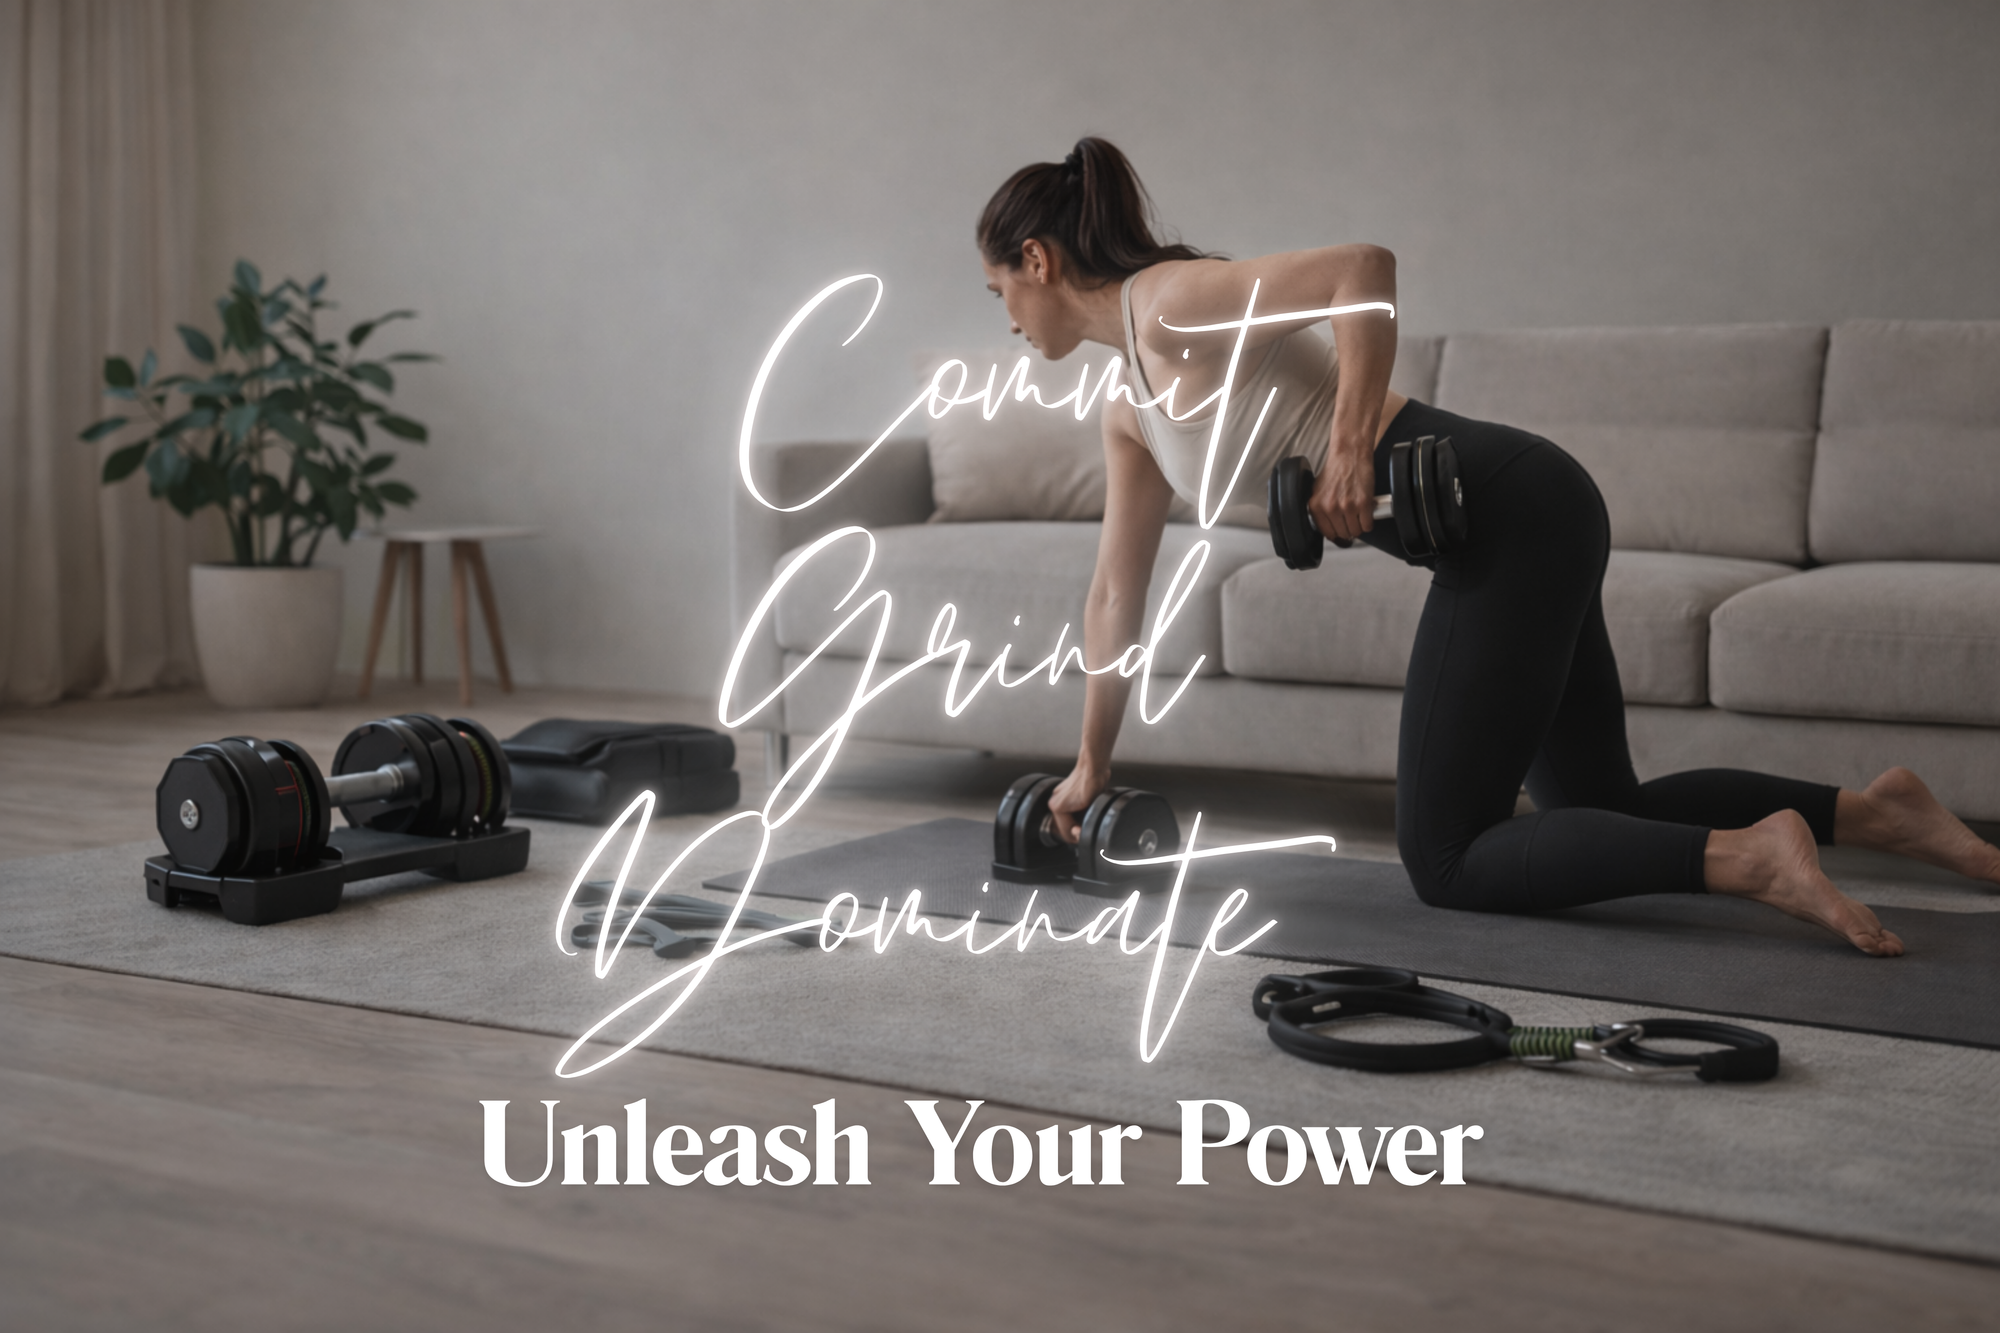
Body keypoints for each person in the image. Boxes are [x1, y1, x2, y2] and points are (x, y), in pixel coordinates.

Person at [975, 136, 2000, 956]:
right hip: (1513, 522)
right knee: (1599, 806)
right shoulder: (1124, 408)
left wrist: (1343, 449)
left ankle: (1748, 858)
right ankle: (1873, 814)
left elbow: (1360, 273)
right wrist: (1088, 763)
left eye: (998, 293)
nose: (1005, 321)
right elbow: (1115, 595)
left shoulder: (1168, 306)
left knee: (1448, 858)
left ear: (1037, 261)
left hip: (1510, 509)